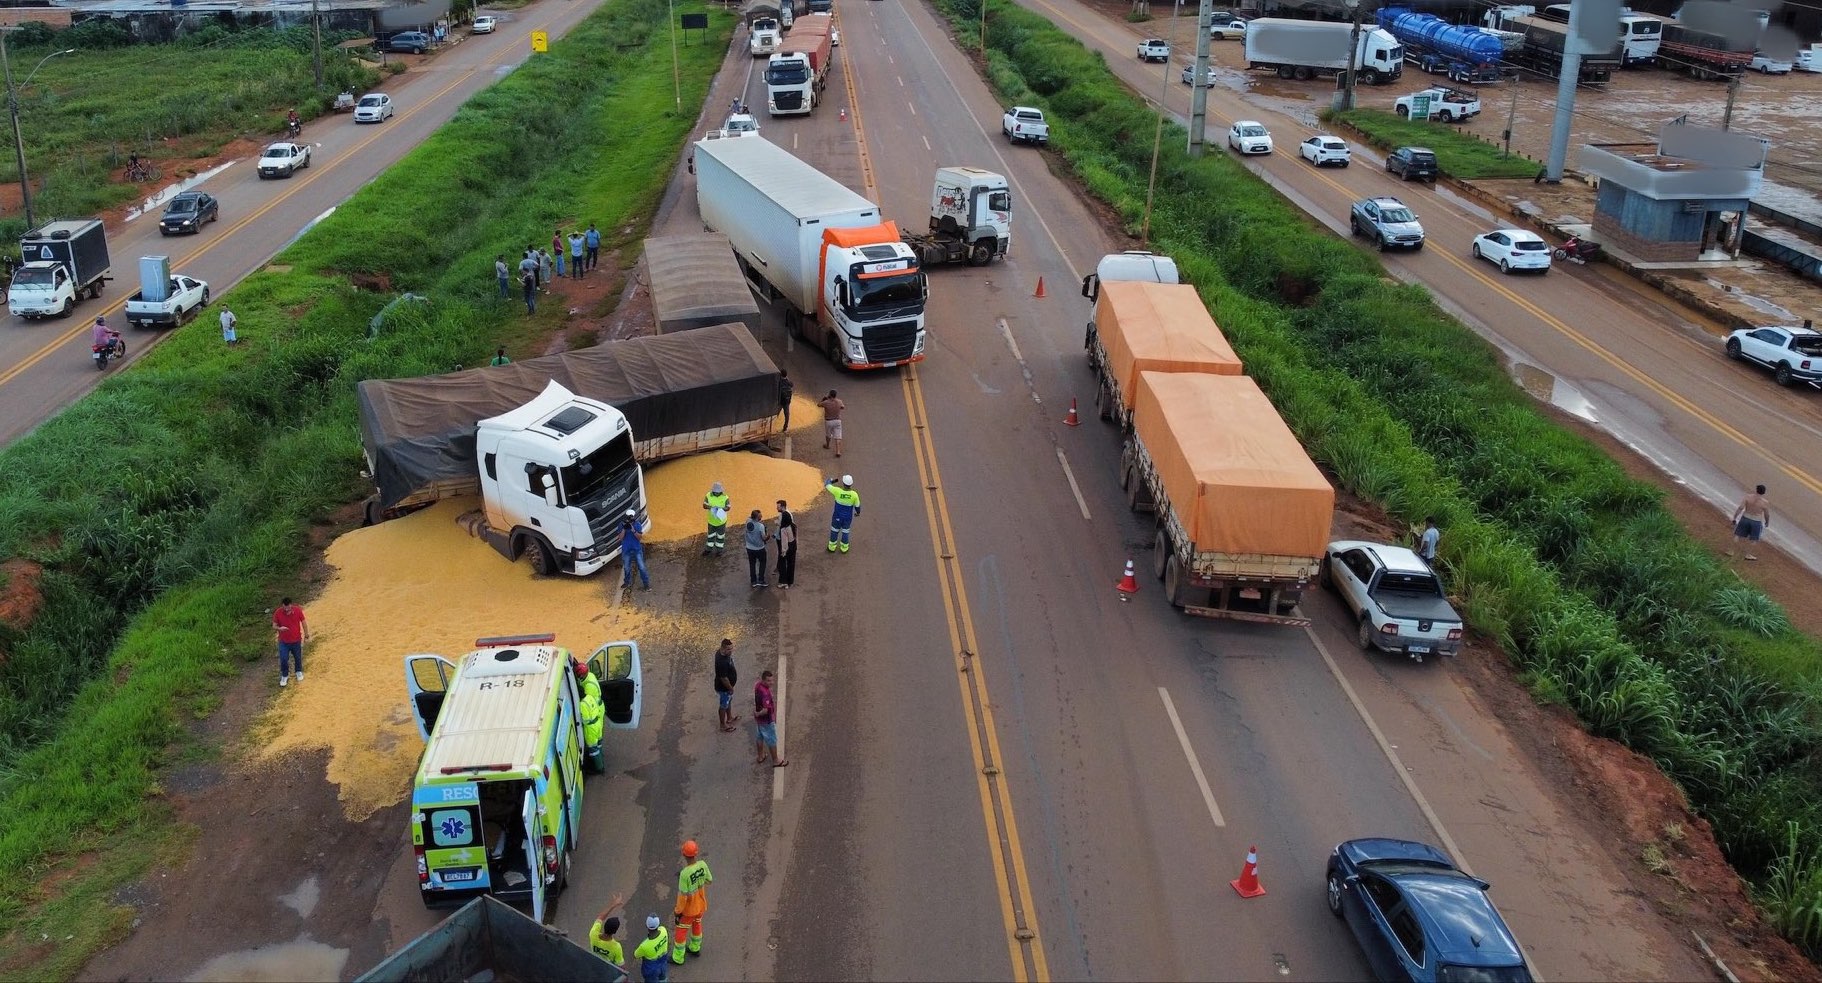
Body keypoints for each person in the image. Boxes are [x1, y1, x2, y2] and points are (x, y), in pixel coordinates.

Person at [671, 840, 713, 964]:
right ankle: (695, 948)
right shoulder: (703, 865)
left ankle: (678, 957)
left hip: (689, 910)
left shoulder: (684, 875)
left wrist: (677, 912)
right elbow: (709, 880)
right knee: (697, 924)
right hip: (701, 905)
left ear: (684, 854)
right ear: (696, 853)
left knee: (681, 930)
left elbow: (682, 897)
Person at [575, 657, 605, 772]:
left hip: (591, 726)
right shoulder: (590, 677)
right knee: (599, 741)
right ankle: (601, 758)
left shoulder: (588, 690)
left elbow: (584, 720)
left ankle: (598, 767)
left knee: (593, 749)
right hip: (597, 718)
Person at [272, 596, 309, 687]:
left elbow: (303, 622)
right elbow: (274, 625)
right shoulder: (278, 613)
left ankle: (298, 671)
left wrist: (306, 634)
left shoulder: (297, 610)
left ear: (291, 605)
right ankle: (284, 675)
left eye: (288, 608)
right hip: (284, 642)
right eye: (285, 608)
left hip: (296, 640)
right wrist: (279, 628)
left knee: (297, 657)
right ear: (282, 606)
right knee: (283, 659)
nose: (287, 610)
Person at [1729, 484, 1772, 560]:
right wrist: (1767, 522)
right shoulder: (1765, 502)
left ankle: (1731, 551)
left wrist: (1735, 517)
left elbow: (1741, 508)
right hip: (1756, 521)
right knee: (1754, 539)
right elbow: (1767, 514)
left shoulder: (1748, 497)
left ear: (1756, 490)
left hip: (1746, 517)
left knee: (1737, 535)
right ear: (1764, 492)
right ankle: (1748, 554)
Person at [754, 670, 785, 767]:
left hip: (759, 721)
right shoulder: (765, 693)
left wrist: (756, 714)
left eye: (772, 680)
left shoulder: (757, 685)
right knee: (772, 739)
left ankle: (760, 756)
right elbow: (766, 710)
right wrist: (759, 714)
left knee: (760, 737)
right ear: (763, 680)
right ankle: (776, 760)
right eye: (768, 681)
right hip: (766, 720)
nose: (771, 683)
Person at [825, 474, 861, 553]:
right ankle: (844, 548)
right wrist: (858, 513)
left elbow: (827, 485)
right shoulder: (854, 494)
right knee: (845, 532)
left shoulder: (837, 491)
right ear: (851, 484)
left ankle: (831, 547)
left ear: (843, 483)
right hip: (847, 518)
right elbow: (857, 506)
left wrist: (830, 481)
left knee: (834, 531)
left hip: (837, 517)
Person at [589, 893, 627, 969]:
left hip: (594, 964)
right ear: (615, 932)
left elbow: (600, 917)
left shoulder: (593, 934)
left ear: (604, 926)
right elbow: (621, 966)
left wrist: (613, 905)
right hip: (607, 969)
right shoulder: (616, 947)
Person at [621, 508, 651, 590]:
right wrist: (624, 528)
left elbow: (639, 538)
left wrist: (633, 530)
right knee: (626, 567)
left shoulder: (637, 525)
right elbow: (620, 538)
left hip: (637, 549)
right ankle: (627, 582)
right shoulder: (621, 525)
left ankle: (646, 585)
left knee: (641, 567)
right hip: (626, 550)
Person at [634, 915, 671, 982]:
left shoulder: (644, 946)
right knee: (663, 978)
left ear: (647, 927)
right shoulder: (663, 930)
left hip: (651, 968)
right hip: (663, 961)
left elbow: (636, 955)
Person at [744, 508, 771, 587]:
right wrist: (768, 536)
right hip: (759, 548)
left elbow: (750, 518)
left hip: (749, 547)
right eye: (760, 516)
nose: (761, 517)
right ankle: (761, 580)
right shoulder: (760, 526)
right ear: (757, 517)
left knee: (752, 564)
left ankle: (753, 581)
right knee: (762, 563)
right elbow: (764, 538)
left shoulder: (748, 521)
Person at [702, 481, 731, 555]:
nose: (717, 493)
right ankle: (708, 549)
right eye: (715, 492)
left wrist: (721, 509)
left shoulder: (725, 497)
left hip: (721, 521)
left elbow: (728, 507)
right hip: (711, 521)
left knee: (720, 536)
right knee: (710, 535)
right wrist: (711, 507)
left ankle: (719, 550)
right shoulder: (708, 495)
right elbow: (704, 505)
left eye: (718, 492)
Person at [775, 500, 797, 589]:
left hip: (786, 547)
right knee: (791, 563)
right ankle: (790, 581)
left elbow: (784, 542)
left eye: (778, 506)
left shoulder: (784, 530)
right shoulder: (792, 525)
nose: (777, 508)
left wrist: (783, 552)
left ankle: (783, 582)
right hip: (793, 546)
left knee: (782, 563)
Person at [818, 389, 846, 456]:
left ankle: (827, 445)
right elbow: (843, 407)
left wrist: (823, 399)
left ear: (829, 395)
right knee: (838, 436)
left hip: (829, 421)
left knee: (828, 434)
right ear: (835, 395)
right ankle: (838, 451)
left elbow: (818, 405)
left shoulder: (826, 402)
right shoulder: (839, 401)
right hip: (837, 421)